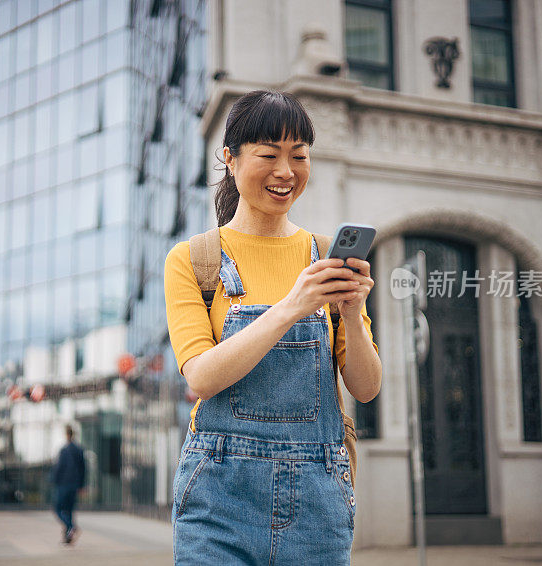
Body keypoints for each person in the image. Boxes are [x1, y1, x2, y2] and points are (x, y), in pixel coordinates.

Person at [164, 90, 382, 565]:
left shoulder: (326, 257)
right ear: (230, 158)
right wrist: (292, 306)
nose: (286, 171)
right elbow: (200, 377)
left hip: (318, 500)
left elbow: (366, 388)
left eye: (299, 156)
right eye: (269, 154)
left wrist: (350, 312)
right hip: (218, 496)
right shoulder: (194, 260)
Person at [50, 425, 86, 545]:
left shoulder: (64, 450)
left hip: (63, 484)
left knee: (58, 509)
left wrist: (54, 480)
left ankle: (71, 527)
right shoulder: (79, 449)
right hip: (74, 485)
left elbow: (59, 468)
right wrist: (81, 485)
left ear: (66, 435)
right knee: (69, 510)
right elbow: (83, 469)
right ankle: (68, 538)